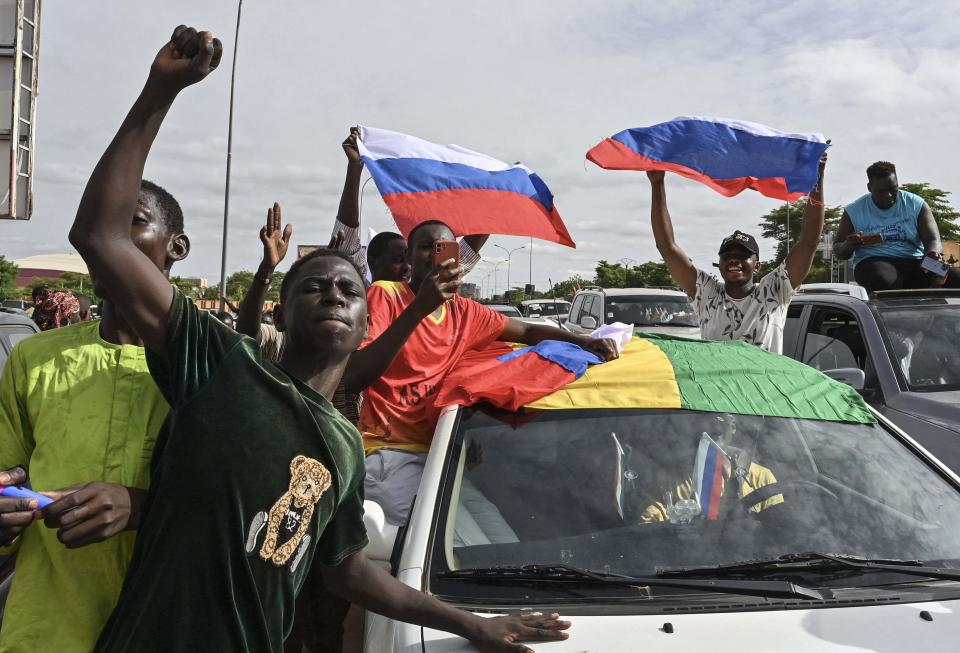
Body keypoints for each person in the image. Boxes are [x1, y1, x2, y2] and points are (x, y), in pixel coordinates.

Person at [70, 25, 569, 652]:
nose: (334, 292)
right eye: (314, 286)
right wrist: (159, 92)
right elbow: (102, 237)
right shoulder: (225, 364)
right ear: (281, 309)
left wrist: (477, 625)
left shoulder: (343, 446)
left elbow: (348, 571)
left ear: (368, 320)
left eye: (347, 290)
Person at [0, 180, 188, 653]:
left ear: (176, 247)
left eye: (133, 222)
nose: (107, 238)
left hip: (172, 627)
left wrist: (143, 508)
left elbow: (245, 508)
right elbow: (6, 477)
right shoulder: (33, 359)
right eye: (96, 226)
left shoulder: (213, 369)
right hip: (45, 631)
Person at [344, 219, 620, 526]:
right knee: (453, 551)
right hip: (391, 455)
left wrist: (585, 341)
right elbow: (355, 376)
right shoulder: (386, 295)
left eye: (442, 248)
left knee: (496, 538)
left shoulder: (466, 311)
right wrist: (419, 307)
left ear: (455, 256)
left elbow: (527, 330)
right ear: (408, 257)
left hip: (444, 455)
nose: (433, 256)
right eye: (424, 247)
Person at [646, 150, 828, 354]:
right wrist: (657, 184)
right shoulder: (707, 294)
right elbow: (667, 247)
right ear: (719, 263)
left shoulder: (775, 291)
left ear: (757, 264)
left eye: (743, 255)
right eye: (727, 255)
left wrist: (817, 178)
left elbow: (809, 242)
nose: (734, 259)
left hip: (764, 386)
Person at [335, 128, 488, 282]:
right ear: (373, 264)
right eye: (398, 259)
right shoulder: (362, 294)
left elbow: (465, 252)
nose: (407, 266)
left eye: (408, 258)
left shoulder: (427, 291)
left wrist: (499, 194)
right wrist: (354, 168)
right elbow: (346, 237)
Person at [834, 161, 960, 291]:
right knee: (885, 281)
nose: (889, 196)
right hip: (874, 261)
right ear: (869, 187)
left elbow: (933, 240)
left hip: (916, 260)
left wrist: (933, 254)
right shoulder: (853, 211)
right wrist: (847, 245)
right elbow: (838, 250)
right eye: (882, 191)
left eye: (893, 189)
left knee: (954, 277)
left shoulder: (916, 204)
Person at [640, 413, 783, 523]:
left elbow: (778, 528)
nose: (715, 425)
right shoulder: (670, 480)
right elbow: (647, 526)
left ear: (733, 427)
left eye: (722, 419)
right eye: (707, 418)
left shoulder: (762, 478)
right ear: (696, 427)